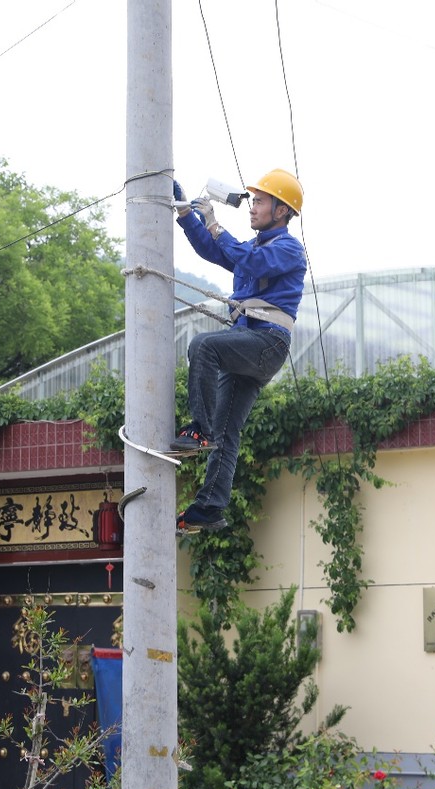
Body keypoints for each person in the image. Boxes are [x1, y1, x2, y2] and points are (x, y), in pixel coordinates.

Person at [171, 169, 307, 532]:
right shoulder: (254, 247)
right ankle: (209, 507)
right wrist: (187, 216)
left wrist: (214, 223)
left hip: (266, 342)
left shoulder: (288, 248)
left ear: (281, 211)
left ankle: (198, 429)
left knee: (203, 346)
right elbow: (214, 251)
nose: (253, 207)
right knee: (227, 431)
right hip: (252, 344)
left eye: (260, 201)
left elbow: (250, 263)